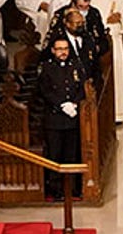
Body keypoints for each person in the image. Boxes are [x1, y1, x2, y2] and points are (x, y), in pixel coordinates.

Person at [34, 36, 85, 201]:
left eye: (65, 49)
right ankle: (56, 189)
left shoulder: (75, 65)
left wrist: (75, 104)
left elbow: (82, 87)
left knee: (72, 154)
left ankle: (73, 188)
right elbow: (44, 91)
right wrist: (62, 104)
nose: (63, 52)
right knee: (55, 155)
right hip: (54, 119)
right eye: (60, 49)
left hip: (73, 117)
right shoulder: (47, 68)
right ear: (53, 51)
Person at [86, 0, 123, 121]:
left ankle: (119, 112)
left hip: (116, 41)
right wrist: (106, 20)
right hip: (102, 42)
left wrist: (120, 17)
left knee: (118, 73)